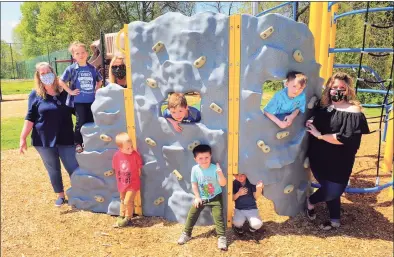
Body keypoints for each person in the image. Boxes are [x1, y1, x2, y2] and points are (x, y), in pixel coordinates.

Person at [305, 72, 370, 230]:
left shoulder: (354, 111)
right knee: (329, 187)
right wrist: (311, 122)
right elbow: (314, 121)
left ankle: (310, 202)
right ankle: (335, 220)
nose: (338, 91)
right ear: (328, 88)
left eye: (342, 87)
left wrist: (320, 135)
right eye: (334, 87)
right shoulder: (323, 107)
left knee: (334, 188)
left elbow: (345, 138)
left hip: (341, 158)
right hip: (319, 155)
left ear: (348, 90)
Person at [19, 62, 79, 207]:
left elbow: (77, 111)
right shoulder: (35, 95)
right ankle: (60, 195)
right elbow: (30, 118)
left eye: (48, 72)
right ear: (38, 77)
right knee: (53, 169)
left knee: (73, 167)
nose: (46, 75)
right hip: (43, 140)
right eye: (43, 73)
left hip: (66, 137)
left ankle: (79, 192)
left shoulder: (65, 92)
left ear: (53, 72)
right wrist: (23, 138)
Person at [177, 144, 227, 250]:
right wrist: (197, 197)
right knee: (192, 214)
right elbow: (194, 184)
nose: (204, 160)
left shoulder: (214, 169)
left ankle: (221, 237)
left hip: (215, 198)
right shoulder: (195, 169)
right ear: (195, 159)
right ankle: (186, 233)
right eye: (200, 158)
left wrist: (220, 173)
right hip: (202, 198)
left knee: (218, 217)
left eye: (206, 157)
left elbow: (223, 184)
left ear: (211, 156)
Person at [59, 41, 103, 153]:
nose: (81, 55)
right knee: (81, 121)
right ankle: (78, 143)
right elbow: (61, 81)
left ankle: (90, 142)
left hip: (91, 101)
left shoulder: (92, 68)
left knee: (92, 121)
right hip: (79, 101)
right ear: (73, 56)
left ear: (87, 53)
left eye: (83, 52)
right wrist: (70, 91)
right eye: (77, 53)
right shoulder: (72, 69)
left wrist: (97, 89)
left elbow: (100, 80)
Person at [112, 132, 143, 227]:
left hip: (132, 183)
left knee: (127, 201)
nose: (131, 149)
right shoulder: (117, 156)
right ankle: (122, 215)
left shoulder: (135, 155)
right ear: (120, 149)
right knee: (122, 199)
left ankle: (128, 218)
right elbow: (115, 167)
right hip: (122, 183)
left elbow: (139, 166)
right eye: (128, 148)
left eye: (131, 146)